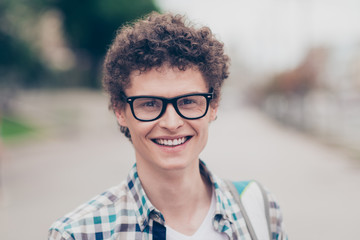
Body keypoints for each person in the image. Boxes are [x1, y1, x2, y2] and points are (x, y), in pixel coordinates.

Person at [48, 12, 287, 240]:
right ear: (120, 110)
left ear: (213, 105)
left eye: (188, 102)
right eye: (150, 104)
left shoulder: (260, 209)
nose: (172, 123)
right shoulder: (78, 233)